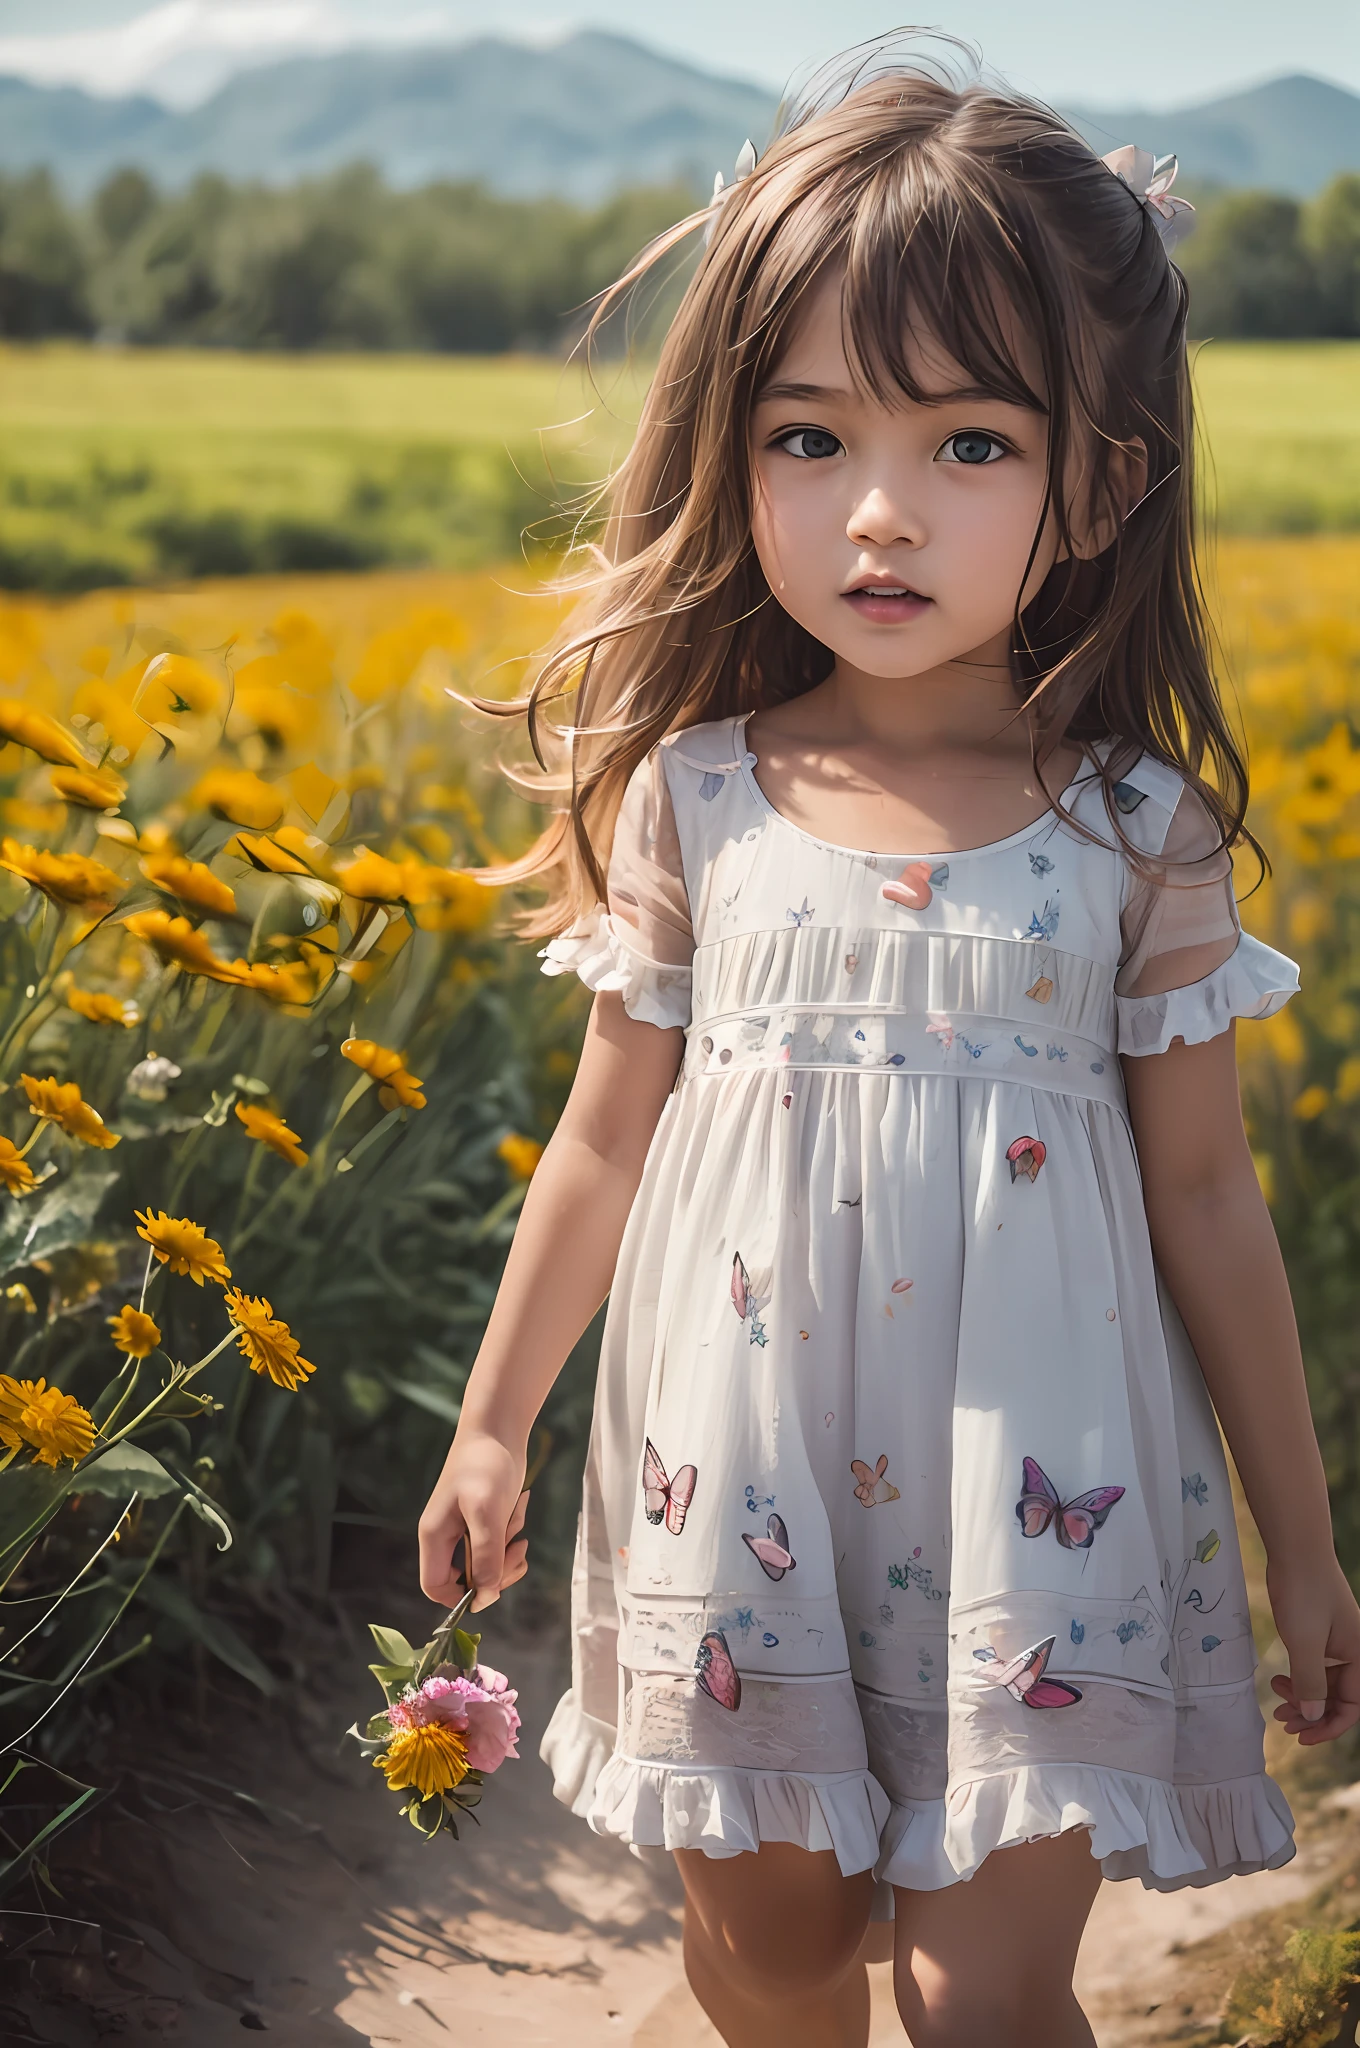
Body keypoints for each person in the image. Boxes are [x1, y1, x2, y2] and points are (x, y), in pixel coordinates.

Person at [417, 41, 1360, 2048]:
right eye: (805, 436)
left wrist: (1301, 1540)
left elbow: (1202, 1192)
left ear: (1097, 475)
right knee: (769, 1951)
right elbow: (597, 1147)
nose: (874, 510)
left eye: (967, 445)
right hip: (729, 1478)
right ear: (726, 451)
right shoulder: (696, 802)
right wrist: (495, 1417)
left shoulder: (1137, 833)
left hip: (1041, 1495)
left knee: (981, 1993)